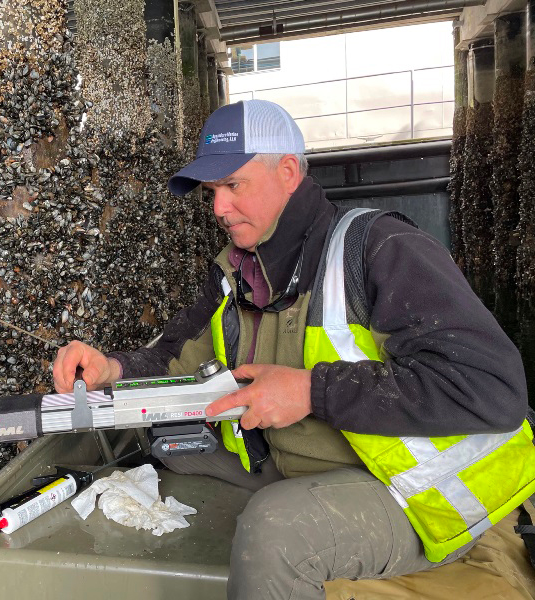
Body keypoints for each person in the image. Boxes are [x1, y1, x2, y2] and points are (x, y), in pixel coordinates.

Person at [51, 99, 535, 599]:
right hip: (291, 463)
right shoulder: (236, 271)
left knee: (275, 530)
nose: (218, 208)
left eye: (233, 185)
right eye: (213, 191)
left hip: (416, 500)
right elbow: (176, 356)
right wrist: (111, 368)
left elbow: (494, 389)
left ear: (287, 172)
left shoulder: (381, 247)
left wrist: (311, 390)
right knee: (169, 446)